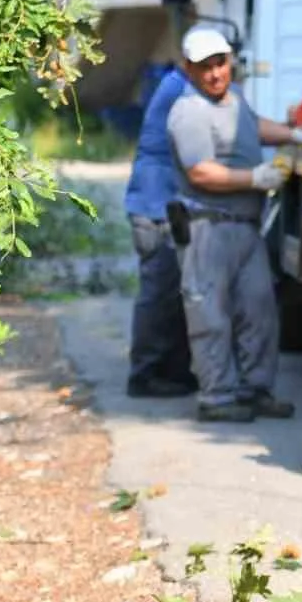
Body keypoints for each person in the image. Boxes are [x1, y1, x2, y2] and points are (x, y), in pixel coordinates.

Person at [166, 25, 302, 423]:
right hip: (208, 228)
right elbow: (200, 172)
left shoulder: (232, 101)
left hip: (245, 227)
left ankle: (255, 390)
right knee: (210, 315)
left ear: (230, 61)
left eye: (220, 63)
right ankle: (217, 398)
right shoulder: (190, 112)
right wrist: (255, 179)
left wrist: (295, 134)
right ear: (188, 69)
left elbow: (254, 126)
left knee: (259, 311)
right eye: (205, 68)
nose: (215, 74)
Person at [122, 61, 198, 398]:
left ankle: (174, 372)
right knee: (159, 294)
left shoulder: (177, 83)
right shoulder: (181, 90)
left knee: (173, 293)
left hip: (161, 205)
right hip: (155, 209)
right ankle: (145, 375)